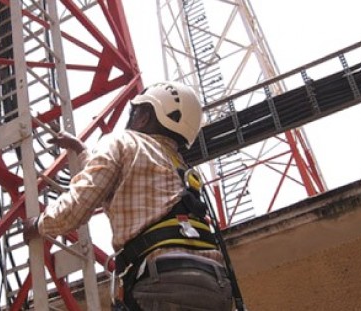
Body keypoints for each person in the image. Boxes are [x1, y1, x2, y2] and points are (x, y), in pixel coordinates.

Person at [23, 81, 234, 310]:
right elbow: (119, 175)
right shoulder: (181, 168)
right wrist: (82, 150)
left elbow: (80, 204)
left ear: (144, 117)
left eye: (136, 113)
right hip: (217, 284)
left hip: (163, 281)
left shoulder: (121, 140)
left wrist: (40, 224)